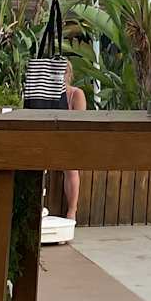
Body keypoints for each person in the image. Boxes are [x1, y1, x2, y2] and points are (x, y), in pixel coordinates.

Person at [61, 57, 86, 223]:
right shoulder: (46, 95)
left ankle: (72, 210)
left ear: (69, 74)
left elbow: (80, 124)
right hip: (50, 138)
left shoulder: (76, 94)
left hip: (70, 138)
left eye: (63, 72)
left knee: (71, 167)